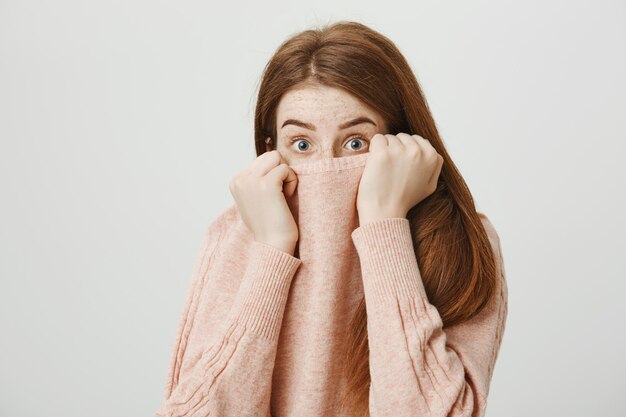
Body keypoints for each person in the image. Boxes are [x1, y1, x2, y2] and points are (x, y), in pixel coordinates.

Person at [155, 20, 508, 417]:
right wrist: (271, 250)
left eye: (356, 142)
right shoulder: (233, 237)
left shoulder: (459, 240)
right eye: (302, 144)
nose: (327, 166)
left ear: (402, 144)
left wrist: (384, 225)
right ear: (271, 149)